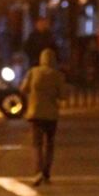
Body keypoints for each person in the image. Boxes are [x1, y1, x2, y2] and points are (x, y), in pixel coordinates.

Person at [20, 48, 68, 186]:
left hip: (35, 113)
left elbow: (23, 89)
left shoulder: (33, 72)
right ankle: (46, 173)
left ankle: (37, 172)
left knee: (37, 144)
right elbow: (63, 96)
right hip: (51, 115)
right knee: (50, 144)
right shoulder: (57, 75)